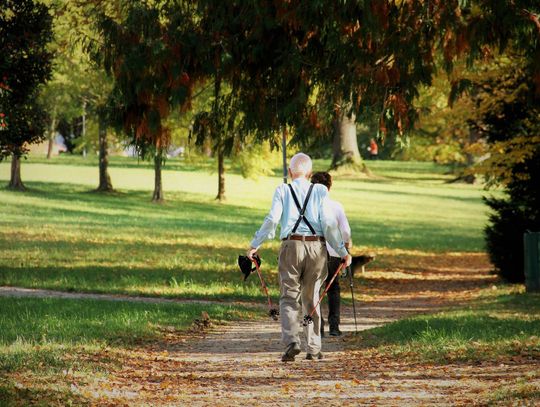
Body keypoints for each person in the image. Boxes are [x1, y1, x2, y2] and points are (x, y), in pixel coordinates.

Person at [247, 153, 352, 362]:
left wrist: (254, 245)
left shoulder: (282, 190)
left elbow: (272, 219)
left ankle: (292, 341)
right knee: (312, 297)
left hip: (291, 246)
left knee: (288, 296)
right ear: (310, 173)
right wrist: (343, 252)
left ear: (289, 172)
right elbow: (329, 226)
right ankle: (313, 348)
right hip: (316, 247)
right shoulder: (320, 191)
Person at [311, 172, 352, 337]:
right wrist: (346, 247)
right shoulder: (336, 206)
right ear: (330, 186)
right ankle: (334, 326)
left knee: (315, 288)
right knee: (333, 288)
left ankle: (318, 328)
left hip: (314, 251)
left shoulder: (309, 207)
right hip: (334, 251)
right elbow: (345, 230)